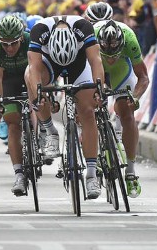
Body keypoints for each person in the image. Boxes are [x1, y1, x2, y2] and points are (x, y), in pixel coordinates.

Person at [25, 15, 105, 199]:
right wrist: (38, 96)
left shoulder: (84, 27)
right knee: (29, 77)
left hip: (79, 62)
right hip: (49, 62)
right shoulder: (39, 30)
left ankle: (91, 175)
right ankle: (49, 130)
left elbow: (95, 61)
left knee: (87, 111)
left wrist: (99, 89)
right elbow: (34, 67)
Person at [94, 20, 149, 198]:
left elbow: (143, 77)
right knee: (87, 109)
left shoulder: (130, 39)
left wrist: (136, 97)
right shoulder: (91, 37)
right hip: (96, 66)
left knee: (126, 112)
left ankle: (131, 172)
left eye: (114, 54)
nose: (110, 58)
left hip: (121, 70)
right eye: (107, 54)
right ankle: (92, 161)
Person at [0, 15, 30, 195]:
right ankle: (19, 174)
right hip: (8, 80)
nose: (9, 48)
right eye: (5, 44)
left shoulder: (30, 40)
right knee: (13, 123)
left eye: (13, 43)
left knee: (36, 102)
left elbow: (40, 70)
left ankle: (40, 133)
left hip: (29, 74)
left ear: (21, 37)